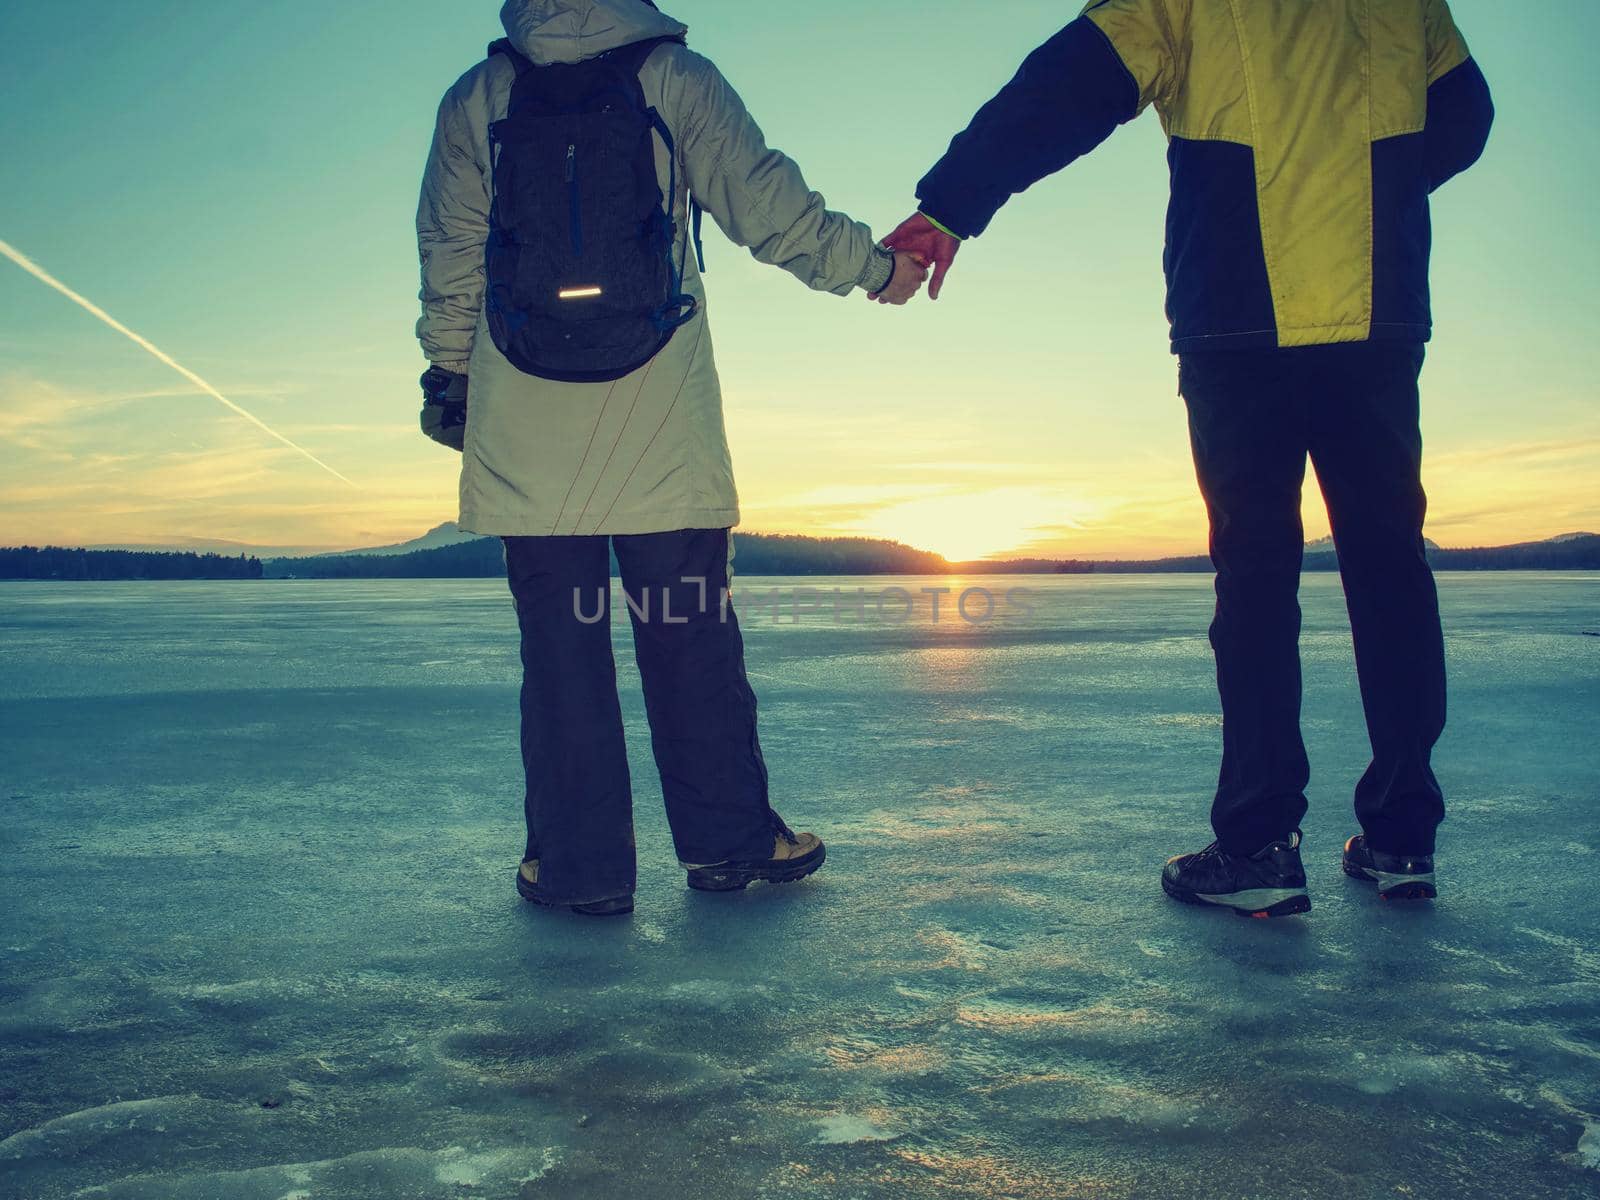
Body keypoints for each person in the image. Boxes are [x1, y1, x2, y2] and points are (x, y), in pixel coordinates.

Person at [885, 0, 1493, 916]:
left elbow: (1065, 89)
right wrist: (1369, 195)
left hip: (1237, 316)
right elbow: (1465, 116)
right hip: (1377, 314)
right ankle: (1403, 837)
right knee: (1390, 571)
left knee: (1255, 579)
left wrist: (951, 206)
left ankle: (1257, 846)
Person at [415, 0, 927, 917]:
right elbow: (767, 205)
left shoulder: (477, 97)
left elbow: (451, 251)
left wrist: (452, 376)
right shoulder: (674, 78)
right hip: (660, 421)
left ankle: (580, 871)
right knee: (689, 639)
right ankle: (730, 846)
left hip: (526, 428)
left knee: (561, 656)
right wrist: (876, 268)